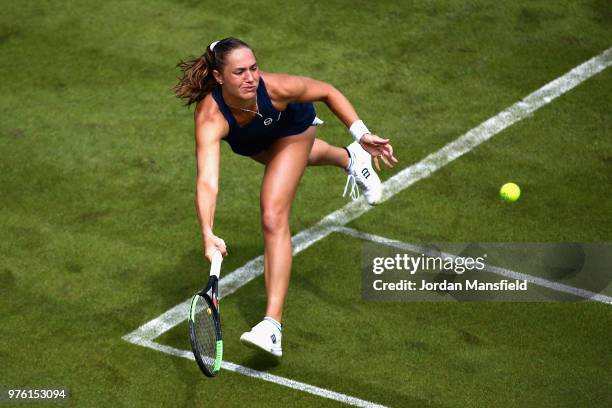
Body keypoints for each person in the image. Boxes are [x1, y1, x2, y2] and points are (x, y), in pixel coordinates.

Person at [174, 37, 397, 357]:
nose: (250, 78)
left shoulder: (275, 87)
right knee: (283, 161)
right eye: (239, 72)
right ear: (219, 77)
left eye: (253, 68)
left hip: (294, 127)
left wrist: (361, 133)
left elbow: (327, 91)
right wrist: (207, 232)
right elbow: (208, 180)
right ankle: (350, 159)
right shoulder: (210, 117)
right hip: (255, 142)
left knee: (272, 214)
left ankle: (272, 327)